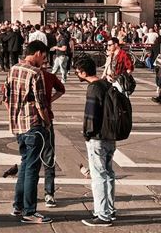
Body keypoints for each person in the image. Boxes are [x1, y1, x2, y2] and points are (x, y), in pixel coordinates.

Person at [3, 40, 53, 224]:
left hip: (18, 126)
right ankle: (29, 212)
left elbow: (5, 98)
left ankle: (18, 206)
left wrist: (15, 115)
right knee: (32, 169)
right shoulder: (35, 73)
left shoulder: (13, 69)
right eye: (44, 57)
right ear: (38, 53)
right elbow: (41, 104)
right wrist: (47, 123)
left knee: (24, 166)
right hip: (34, 125)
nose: (44, 61)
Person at [74, 53, 116, 227]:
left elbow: (90, 115)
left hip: (97, 137)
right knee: (109, 174)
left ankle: (102, 214)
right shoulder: (107, 84)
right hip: (110, 136)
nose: (77, 74)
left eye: (77, 71)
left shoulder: (93, 88)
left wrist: (87, 134)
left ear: (83, 72)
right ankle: (110, 210)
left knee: (98, 176)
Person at [40, 51, 66, 208]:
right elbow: (61, 90)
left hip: (38, 121)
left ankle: (47, 193)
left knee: (40, 159)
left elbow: (61, 89)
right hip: (45, 121)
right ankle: (48, 193)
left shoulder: (48, 77)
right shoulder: (45, 76)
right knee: (46, 158)